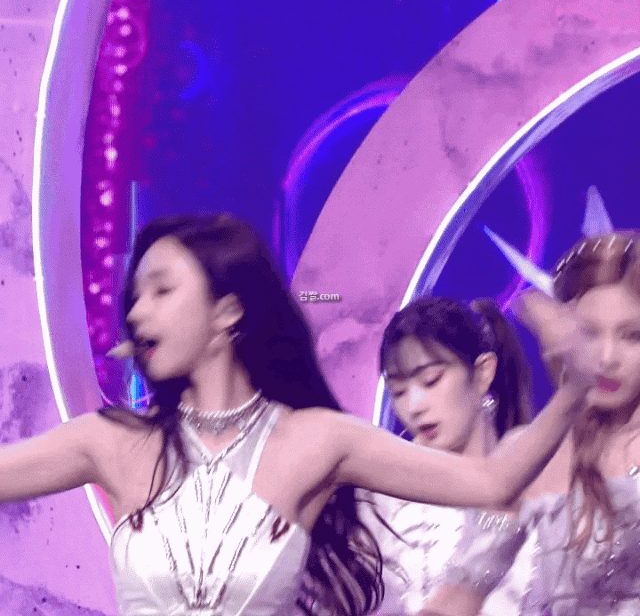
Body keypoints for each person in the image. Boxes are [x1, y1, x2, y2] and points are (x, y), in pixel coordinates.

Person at [0, 214, 590, 616]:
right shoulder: (109, 442)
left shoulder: (315, 440)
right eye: (134, 297)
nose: (135, 313)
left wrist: (573, 386)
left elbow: (493, 482)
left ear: (227, 312)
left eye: (160, 291)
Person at [424, 231, 640, 616]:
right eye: (589, 333)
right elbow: (462, 592)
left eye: (632, 336)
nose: (607, 357)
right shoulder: (528, 451)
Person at [360, 295, 532, 615]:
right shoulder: (383, 502)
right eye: (398, 392)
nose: (414, 406)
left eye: (431, 381)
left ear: (483, 373)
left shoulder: (539, 476)